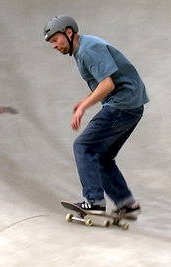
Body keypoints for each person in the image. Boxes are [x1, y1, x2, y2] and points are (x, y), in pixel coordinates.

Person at [44, 15, 149, 219]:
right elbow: (103, 83)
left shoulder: (88, 50)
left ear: (68, 32)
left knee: (84, 147)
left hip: (122, 104)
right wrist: (84, 100)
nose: (54, 46)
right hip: (132, 106)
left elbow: (108, 85)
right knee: (101, 157)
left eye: (55, 40)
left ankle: (94, 201)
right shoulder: (84, 48)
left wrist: (84, 106)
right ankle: (126, 204)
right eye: (51, 43)